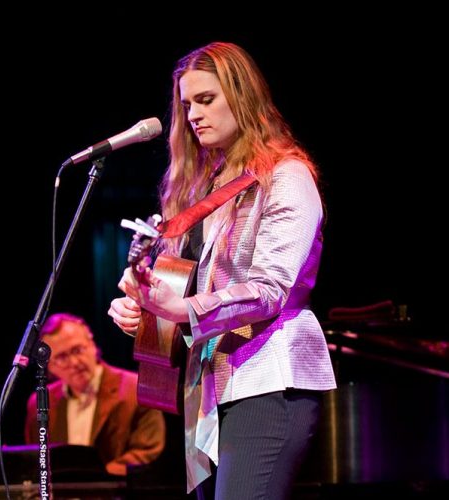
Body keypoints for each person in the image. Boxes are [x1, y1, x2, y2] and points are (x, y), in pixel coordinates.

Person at [108, 41, 337, 499]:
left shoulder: (286, 177)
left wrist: (183, 307)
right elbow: (176, 281)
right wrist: (142, 303)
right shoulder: (203, 189)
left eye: (206, 100)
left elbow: (271, 289)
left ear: (243, 97)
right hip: (210, 386)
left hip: (269, 382)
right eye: (187, 103)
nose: (193, 114)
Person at [24, 312, 166, 476]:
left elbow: (148, 451)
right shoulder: (40, 403)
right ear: (49, 366)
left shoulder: (136, 389)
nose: (75, 363)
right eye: (62, 357)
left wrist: (97, 480)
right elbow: (36, 460)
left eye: (77, 350)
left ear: (92, 345)